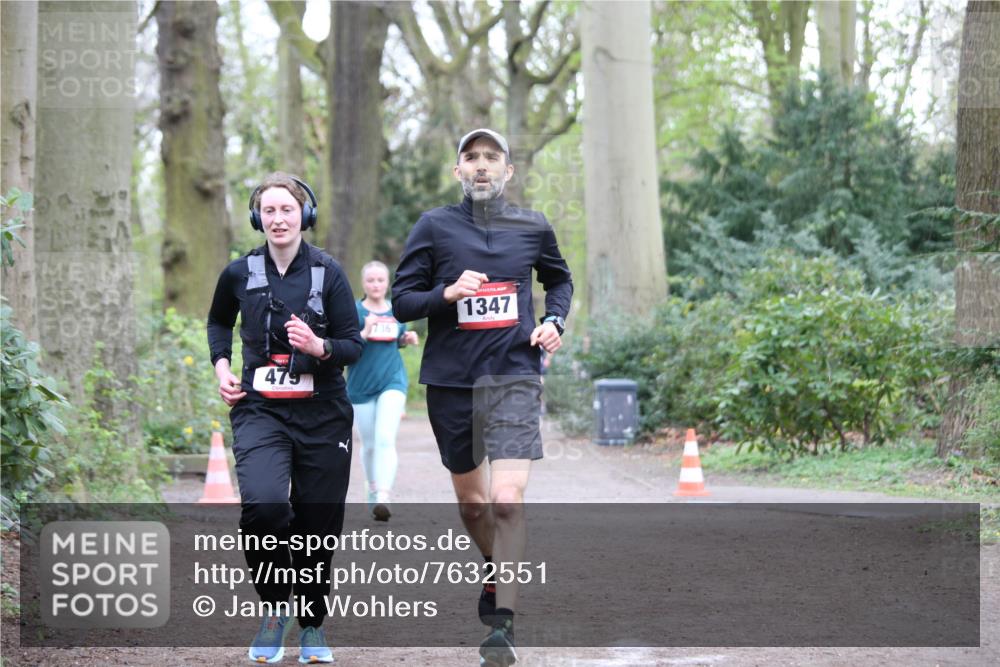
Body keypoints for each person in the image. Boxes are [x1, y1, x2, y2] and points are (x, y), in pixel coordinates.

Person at [392, 129, 572, 666]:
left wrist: (554, 320)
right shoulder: (434, 226)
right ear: (458, 172)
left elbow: (560, 280)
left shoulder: (533, 226)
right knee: (473, 505)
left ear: (508, 171)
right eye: (471, 158)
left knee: (506, 500)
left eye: (492, 158)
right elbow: (402, 302)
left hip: (514, 376)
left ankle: (503, 625)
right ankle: (495, 568)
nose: (482, 166)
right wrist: (446, 294)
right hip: (452, 383)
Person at [207, 172, 362, 664]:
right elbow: (217, 321)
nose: (278, 219)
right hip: (260, 410)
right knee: (267, 506)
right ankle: (275, 610)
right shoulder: (239, 273)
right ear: (258, 218)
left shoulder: (328, 272)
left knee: (318, 522)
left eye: (287, 210)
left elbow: (353, 344)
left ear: (304, 216)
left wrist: (319, 347)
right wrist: (223, 365)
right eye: (269, 211)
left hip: (323, 413)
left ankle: (312, 624)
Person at [347, 260, 419, 522]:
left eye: (380, 280)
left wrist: (406, 339)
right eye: (370, 280)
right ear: (363, 283)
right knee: (369, 445)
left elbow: (395, 340)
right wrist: (363, 333)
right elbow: (346, 348)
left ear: (387, 283)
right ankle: (373, 487)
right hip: (360, 385)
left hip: (392, 380)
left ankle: (384, 496)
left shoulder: (395, 310)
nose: (375, 285)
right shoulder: (353, 311)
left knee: (385, 437)